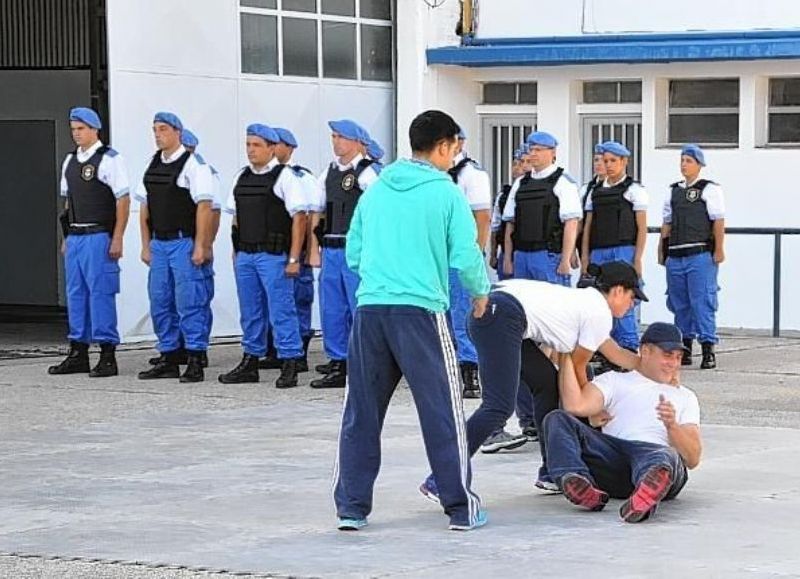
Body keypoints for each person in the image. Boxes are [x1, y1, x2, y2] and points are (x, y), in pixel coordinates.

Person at [334, 110, 490, 532]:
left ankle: (351, 508)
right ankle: (460, 507)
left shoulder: (377, 190)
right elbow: (466, 255)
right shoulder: (446, 192)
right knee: (443, 411)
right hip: (421, 312)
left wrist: (382, 278)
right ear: (443, 146)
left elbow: (353, 253)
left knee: (361, 412)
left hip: (370, 312)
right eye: (455, 147)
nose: (455, 154)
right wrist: (481, 293)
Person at [418, 261, 645, 500]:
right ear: (618, 290)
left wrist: (651, 365)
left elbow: (614, 352)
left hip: (495, 310)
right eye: (632, 297)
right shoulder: (599, 312)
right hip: (502, 315)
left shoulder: (585, 302)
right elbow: (579, 368)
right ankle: (440, 479)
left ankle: (550, 473)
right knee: (497, 407)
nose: (633, 305)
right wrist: (592, 410)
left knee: (546, 384)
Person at [545, 322, 702, 523]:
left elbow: (693, 458)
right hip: (614, 458)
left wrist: (672, 426)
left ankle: (646, 494)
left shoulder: (685, 396)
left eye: (678, 357)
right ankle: (578, 484)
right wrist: (566, 355)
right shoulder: (614, 381)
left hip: (655, 456)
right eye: (667, 355)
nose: (674, 363)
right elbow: (575, 406)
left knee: (665, 456)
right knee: (557, 419)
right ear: (645, 351)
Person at [217, 124, 307, 388]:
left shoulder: (285, 177)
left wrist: (293, 258)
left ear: (271, 148)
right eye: (248, 145)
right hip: (246, 254)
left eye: (256, 145)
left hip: (273, 256)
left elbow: (299, 218)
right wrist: (236, 251)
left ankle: (290, 360)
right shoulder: (241, 177)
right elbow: (235, 218)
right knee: (250, 311)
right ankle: (251, 360)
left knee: (281, 309)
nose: (251, 150)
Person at [48, 107, 130, 378]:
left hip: (98, 235)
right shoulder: (70, 160)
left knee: (101, 293)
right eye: (73, 129)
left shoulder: (109, 159)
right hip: (76, 236)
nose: (76, 134)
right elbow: (68, 202)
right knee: (76, 294)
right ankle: (78, 351)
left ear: (95, 129)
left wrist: (117, 236)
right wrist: (66, 237)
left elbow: (122, 200)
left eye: (81, 128)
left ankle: (107, 354)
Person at [136, 112, 214, 383]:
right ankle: (168, 356)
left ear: (178, 132)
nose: (158, 134)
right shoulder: (152, 163)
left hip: (183, 242)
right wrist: (146, 245)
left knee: (189, 301)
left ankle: (194, 357)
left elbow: (205, 208)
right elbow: (144, 209)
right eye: (155, 129)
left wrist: (201, 245)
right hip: (159, 243)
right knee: (160, 300)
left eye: (163, 129)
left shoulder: (194, 165)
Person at [308, 120, 379, 389]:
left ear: (357, 142)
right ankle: (339, 360)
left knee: (358, 306)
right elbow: (317, 212)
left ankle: (365, 360)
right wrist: (313, 249)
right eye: (334, 136)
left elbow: (377, 215)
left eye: (341, 137)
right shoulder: (328, 173)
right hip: (331, 247)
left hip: (356, 250)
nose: (336, 141)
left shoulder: (368, 173)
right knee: (332, 308)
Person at [481, 146, 536, 454]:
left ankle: (532, 418)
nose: (521, 166)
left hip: (540, 258)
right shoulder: (508, 193)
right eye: (518, 161)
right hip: (511, 262)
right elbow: (500, 228)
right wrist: (498, 256)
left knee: (533, 349)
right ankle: (505, 423)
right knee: (510, 349)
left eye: (527, 161)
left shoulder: (556, 185)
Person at [659, 145, 725, 369]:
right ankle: (684, 345)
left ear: (699, 164)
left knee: (702, 301)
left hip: (700, 254)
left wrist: (719, 249)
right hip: (676, 254)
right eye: (682, 160)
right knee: (679, 303)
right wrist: (662, 250)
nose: (684, 164)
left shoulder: (709, 189)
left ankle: (708, 348)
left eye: (688, 160)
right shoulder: (673, 191)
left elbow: (718, 220)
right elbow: (666, 223)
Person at [581, 141, 648, 353]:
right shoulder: (595, 191)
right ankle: (603, 348)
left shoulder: (634, 190)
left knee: (623, 298)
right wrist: (585, 257)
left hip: (623, 250)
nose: (608, 165)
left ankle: (628, 346)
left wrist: (637, 258)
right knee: (599, 298)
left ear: (624, 162)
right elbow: (588, 226)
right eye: (605, 160)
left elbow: (641, 228)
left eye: (613, 161)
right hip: (598, 251)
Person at [502, 131, 581, 286]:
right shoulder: (520, 183)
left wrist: (565, 260)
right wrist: (507, 258)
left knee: (553, 307)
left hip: (549, 256)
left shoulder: (563, 182)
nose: (533, 154)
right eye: (531, 149)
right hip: (522, 255)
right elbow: (510, 223)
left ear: (552, 152)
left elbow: (571, 224)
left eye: (538, 150)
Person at [447, 128, 492, 399]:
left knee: (464, 313)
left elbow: (482, 217)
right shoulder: (435, 174)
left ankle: (470, 370)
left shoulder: (471, 175)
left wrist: (475, 253)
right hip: (437, 254)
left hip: (460, 254)